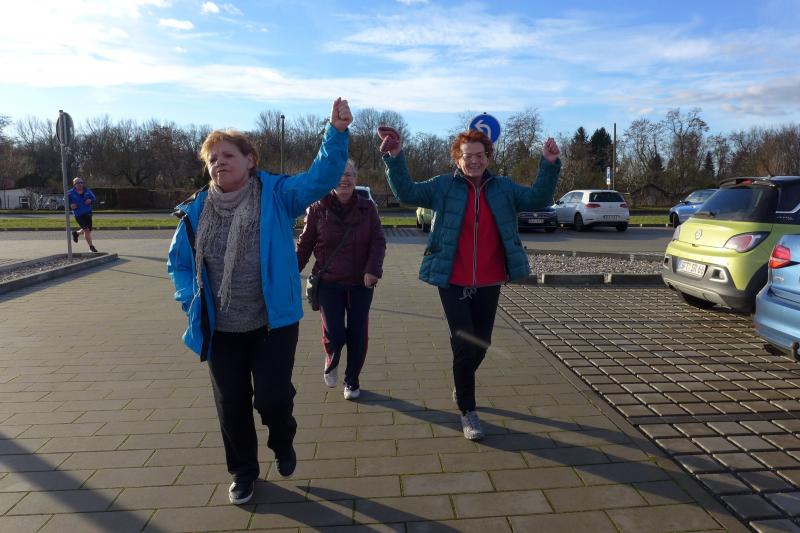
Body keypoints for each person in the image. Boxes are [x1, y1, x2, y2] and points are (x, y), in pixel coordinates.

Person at [166, 98, 352, 505]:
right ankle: (243, 472)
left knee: (271, 398)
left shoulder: (277, 194)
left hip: (273, 323)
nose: (218, 163)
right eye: (212, 159)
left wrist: (336, 133)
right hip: (221, 328)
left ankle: (282, 440)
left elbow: (321, 177)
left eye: (227, 155)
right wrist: (190, 301)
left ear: (250, 160)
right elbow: (178, 264)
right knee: (231, 404)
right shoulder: (195, 210)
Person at [377, 126, 560, 441]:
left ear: (488, 157)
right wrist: (395, 156)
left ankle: (461, 383)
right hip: (452, 278)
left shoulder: (503, 188)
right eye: (467, 156)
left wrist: (549, 163)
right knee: (464, 344)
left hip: (489, 279)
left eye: (479, 155)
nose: (474, 161)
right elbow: (406, 192)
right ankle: (467, 410)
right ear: (457, 159)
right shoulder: (443, 186)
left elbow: (538, 198)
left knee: (482, 343)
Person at [296, 159, 386, 400]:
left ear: (356, 178)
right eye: (338, 174)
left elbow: (378, 241)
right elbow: (305, 245)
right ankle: (332, 356)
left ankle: (352, 381)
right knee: (335, 334)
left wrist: (372, 269)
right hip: (329, 282)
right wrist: (289, 273)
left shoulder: (368, 208)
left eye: (349, 174)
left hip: (361, 283)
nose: (344, 179)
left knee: (357, 333)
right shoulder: (317, 208)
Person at [68, 177, 98, 252]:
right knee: (86, 230)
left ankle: (76, 233)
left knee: (88, 230)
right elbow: (64, 201)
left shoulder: (87, 191)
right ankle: (91, 247)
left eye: (81, 182)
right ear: (74, 184)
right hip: (79, 215)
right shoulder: (70, 193)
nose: (80, 184)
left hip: (88, 213)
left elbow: (94, 198)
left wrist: (90, 200)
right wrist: (70, 205)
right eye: (78, 183)